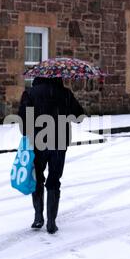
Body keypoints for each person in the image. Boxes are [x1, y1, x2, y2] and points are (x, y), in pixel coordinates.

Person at [18, 77, 85, 234]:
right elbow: (79, 117)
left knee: (38, 178)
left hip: (38, 141)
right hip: (59, 140)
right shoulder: (65, 93)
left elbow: (23, 119)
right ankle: (51, 222)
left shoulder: (30, 93)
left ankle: (38, 217)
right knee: (54, 180)